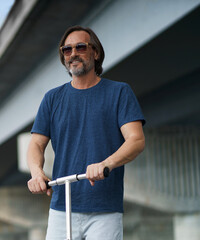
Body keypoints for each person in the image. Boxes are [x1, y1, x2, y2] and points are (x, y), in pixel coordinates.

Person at [27, 25, 146, 240]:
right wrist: (36, 172)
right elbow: (36, 144)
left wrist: (105, 164)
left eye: (81, 47)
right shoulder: (52, 99)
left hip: (104, 210)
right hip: (62, 208)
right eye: (67, 49)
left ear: (96, 52)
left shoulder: (119, 92)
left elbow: (136, 140)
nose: (73, 54)